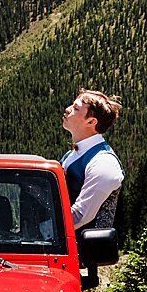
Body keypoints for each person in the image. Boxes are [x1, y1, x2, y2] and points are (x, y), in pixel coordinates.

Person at [60, 88, 124, 230]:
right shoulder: (73, 155)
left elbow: (80, 215)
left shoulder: (103, 163)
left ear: (91, 122)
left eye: (76, 108)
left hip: (84, 250)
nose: (67, 109)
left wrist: (43, 230)